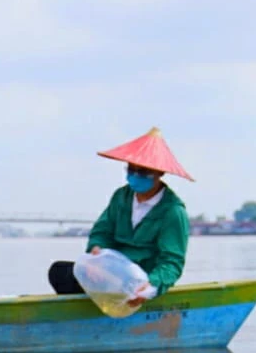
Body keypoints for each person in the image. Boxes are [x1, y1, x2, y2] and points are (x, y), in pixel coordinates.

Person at [50, 127, 192, 306]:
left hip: (139, 280)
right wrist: (96, 252)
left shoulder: (172, 212)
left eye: (143, 172)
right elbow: (102, 232)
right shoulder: (121, 197)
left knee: (131, 288)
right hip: (111, 273)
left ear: (160, 173)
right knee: (59, 271)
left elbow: (171, 262)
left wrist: (151, 286)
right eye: (132, 170)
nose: (135, 176)